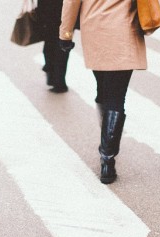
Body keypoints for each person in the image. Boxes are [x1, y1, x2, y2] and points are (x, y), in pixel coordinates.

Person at [58, 0, 147, 184]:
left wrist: (66, 33)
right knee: (116, 96)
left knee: (105, 91)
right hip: (125, 30)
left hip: (96, 31)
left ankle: (107, 142)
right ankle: (107, 158)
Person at [37, 0, 70, 93]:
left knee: (56, 44)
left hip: (62, 11)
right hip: (60, 11)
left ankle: (56, 78)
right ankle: (55, 77)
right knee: (57, 44)